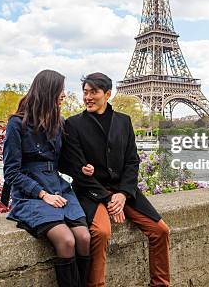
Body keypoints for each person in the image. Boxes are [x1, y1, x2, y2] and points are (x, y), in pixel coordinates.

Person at [60, 72, 171, 287]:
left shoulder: (123, 121)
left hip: (122, 190)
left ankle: (160, 284)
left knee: (160, 230)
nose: (88, 97)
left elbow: (132, 161)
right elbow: (76, 169)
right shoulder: (73, 125)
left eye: (94, 92)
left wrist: (123, 193)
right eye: (85, 92)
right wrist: (108, 198)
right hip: (91, 191)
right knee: (101, 232)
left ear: (108, 94)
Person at [3, 70, 91, 287]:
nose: (64, 94)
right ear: (48, 91)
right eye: (60, 90)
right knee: (66, 240)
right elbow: (11, 172)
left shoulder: (57, 121)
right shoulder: (16, 124)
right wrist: (43, 195)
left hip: (58, 188)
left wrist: (81, 169)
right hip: (31, 193)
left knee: (84, 238)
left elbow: (60, 162)